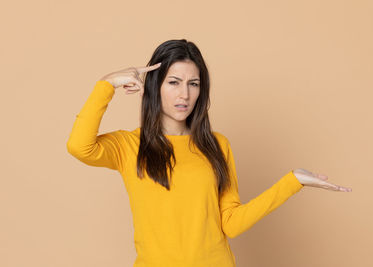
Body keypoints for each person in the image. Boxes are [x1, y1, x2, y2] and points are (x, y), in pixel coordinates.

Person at [66, 39, 352, 267]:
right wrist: (106, 85)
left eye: (193, 84)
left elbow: (230, 223)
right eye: (173, 82)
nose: (185, 95)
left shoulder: (217, 146)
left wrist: (292, 181)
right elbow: (79, 146)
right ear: (155, 86)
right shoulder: (129, 146)